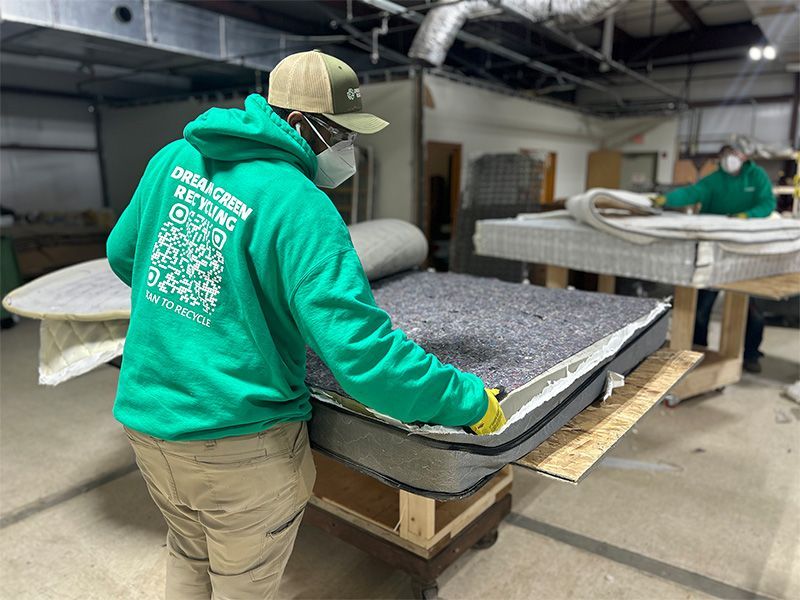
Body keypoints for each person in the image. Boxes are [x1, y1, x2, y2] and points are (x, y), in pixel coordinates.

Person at [105, 49, 505, 600]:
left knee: (188, 552)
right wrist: (469, 400)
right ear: (298, 122)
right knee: (244, 584)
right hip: (237, 442)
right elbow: (366, 360)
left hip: (148, 422)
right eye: (338, 133)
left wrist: (208, 304)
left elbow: (127, 256)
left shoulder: (172, 159)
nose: (346, 149)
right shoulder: (301, 206)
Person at [658, 144, 777, 373]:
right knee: (701, 308)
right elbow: (692, 193)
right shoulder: (715, 179)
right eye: (725, 156)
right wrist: (666, 200)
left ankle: (751, 354)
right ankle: (698, 350)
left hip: (744, 253)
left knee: (752, 311)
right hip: (713, 251)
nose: (729, 160)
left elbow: (767, 203)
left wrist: (746, 216)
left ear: (744, 157)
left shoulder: (757, 176)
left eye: (734, 155)